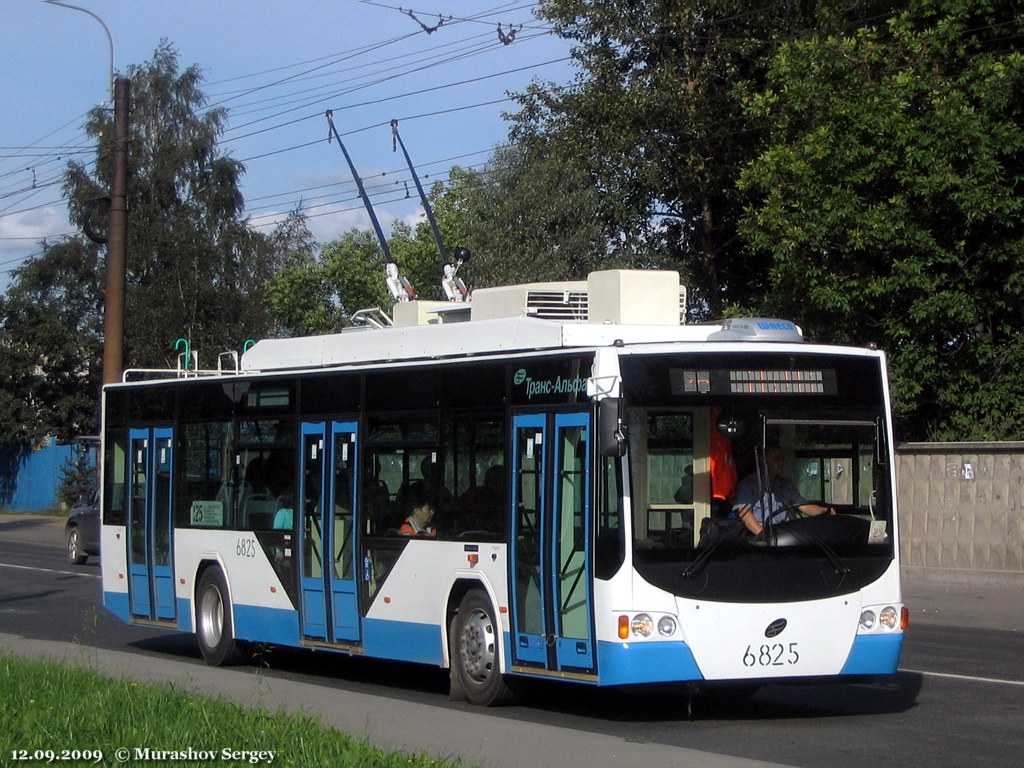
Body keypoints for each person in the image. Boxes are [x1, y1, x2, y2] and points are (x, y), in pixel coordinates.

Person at [732, 447, 834, 536]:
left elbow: (804, 506)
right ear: (763, 460)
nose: (780, 462)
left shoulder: (786, 485)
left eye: (781, 458)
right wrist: (763, 535)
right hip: (758, 539)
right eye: (776, 458)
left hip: (784, 537)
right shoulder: (748, 484)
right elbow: (744, 513)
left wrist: (824, 510)